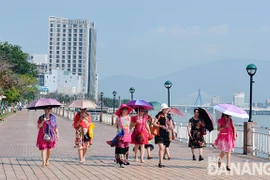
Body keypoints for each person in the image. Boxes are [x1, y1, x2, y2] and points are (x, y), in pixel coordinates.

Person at [153, 103, 170, 168]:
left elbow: (170, 125)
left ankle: (161, 162)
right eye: (165, 109)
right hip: (159, 133)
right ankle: (160, 162)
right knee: (161, 148)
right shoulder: (158, 115)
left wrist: (172, 131)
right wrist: (160, 126)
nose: (166, 110)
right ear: (162, 110)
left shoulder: (168, 116)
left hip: (166, 133)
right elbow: (154, 123)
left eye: (167, 109)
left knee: (163, 148)